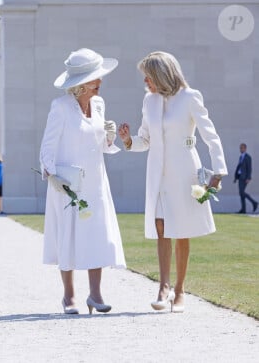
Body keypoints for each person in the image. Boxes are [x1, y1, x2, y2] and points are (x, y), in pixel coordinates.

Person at [118, 51, 227, 313]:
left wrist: (218, 171)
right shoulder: (149, 102)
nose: (145, 82)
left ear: (161, 74)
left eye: (148, 76)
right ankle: (163, 287)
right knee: (160, 226)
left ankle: (179, 291)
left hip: (185, 171)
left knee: (181, 229)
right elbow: (146, 139)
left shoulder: (190, 98)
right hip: (157, 172)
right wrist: (129, 141)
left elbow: (210, 135)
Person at [40, 48, 126, 315]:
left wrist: (110, 138)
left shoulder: (99, 104)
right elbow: (47, 148)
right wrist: (54, 176)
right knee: (68, 235)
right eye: (95, 77)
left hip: (96, 182)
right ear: (80, 84)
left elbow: (101, 145)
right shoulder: (60, 107)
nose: (100, 81)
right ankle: (69, 296)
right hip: (68, 184)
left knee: (96, 234)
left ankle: (96, 294)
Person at [234, 143, 257, 214]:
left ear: (245, 148)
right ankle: (243, 210)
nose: (241, 149)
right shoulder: (241, 157)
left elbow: (249, 168)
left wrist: (248, 177)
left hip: (245, 178)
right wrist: (236, 177)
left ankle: (254, 202)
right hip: (240, 177)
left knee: (242, 192)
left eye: (242, 148)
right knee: (241, 193)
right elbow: (239, 168)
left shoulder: (248, 157)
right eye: (240, 148)